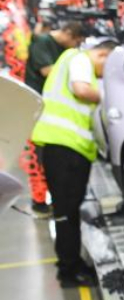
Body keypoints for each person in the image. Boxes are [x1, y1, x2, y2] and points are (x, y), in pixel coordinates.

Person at [30, 36, 117, 288]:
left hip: (65, 147)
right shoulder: (79, 59)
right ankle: (69, 271)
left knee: (67, 209)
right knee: (66, 212)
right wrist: (109, 97)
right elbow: (81, 89)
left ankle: (70, 262)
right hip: (65, 147)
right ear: (101, 54)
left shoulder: (71, 59)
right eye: (107, 66)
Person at [23, 21, 85, 216]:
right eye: (75, 41)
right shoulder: (42, 42)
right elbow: (46, 71)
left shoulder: (58, 47)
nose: (74, 46)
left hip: (48, 108)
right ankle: (39, 202)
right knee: (39, 156)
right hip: (36, 107)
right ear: (68, 33)